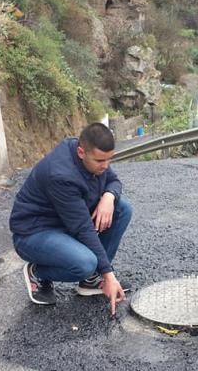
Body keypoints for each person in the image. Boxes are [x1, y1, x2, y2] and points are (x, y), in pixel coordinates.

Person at [9, 123, 131, 315]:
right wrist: (109, 274)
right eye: (100, 161)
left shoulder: (92, 154)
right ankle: (37, 272)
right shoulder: (60, 175)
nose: (106, 166)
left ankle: (91, 280)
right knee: (85, 263)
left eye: (109, 159)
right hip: (35, 233)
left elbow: (113, 180)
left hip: (65, 223)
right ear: (81, 152)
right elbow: (83, 228)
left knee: (122, 209)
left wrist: (109, 196)